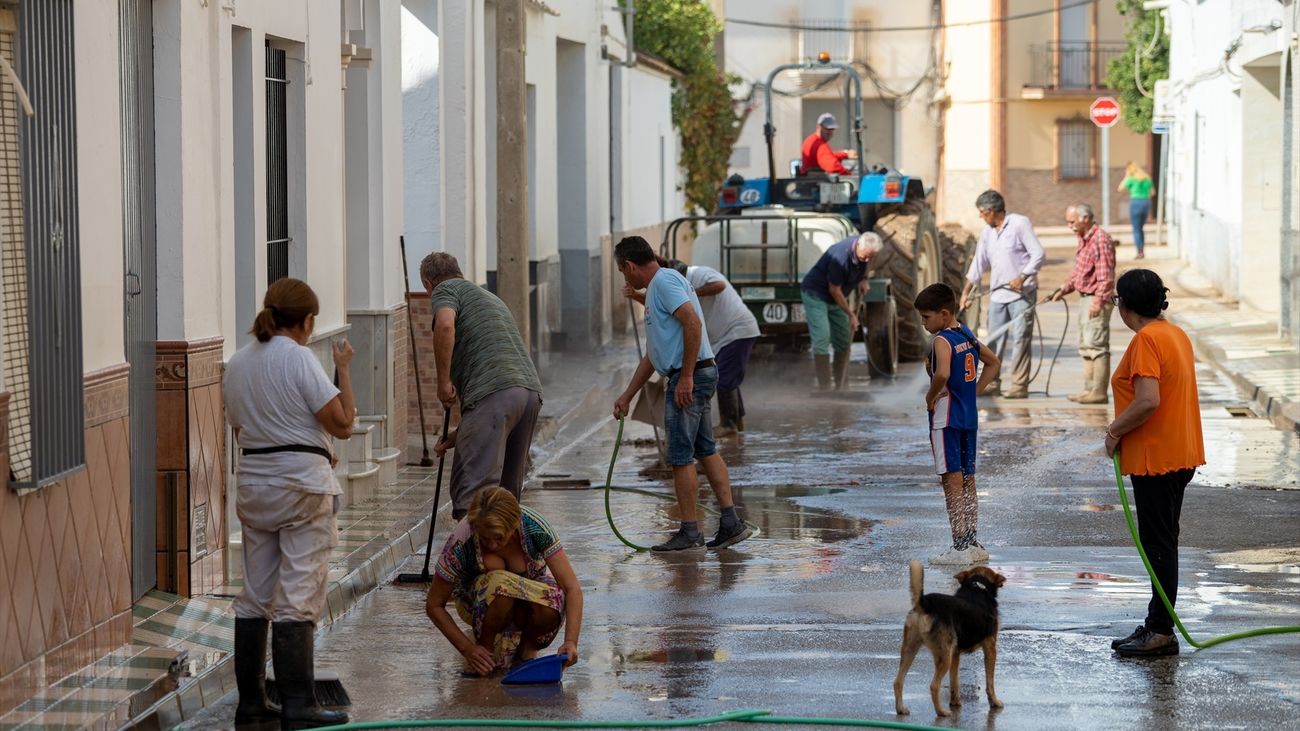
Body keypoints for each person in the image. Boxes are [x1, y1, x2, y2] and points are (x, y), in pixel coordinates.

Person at [224, 278, 353, 729]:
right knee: (299, 592)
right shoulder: (299, 357)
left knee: (255, 594)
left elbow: (243, 430)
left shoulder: (237, 363)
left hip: (255, 485)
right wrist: (345, 371)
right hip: (301, 488)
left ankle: (252, 703)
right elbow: (341, 424)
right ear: (307, 321)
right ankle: (300, 703)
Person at [611, 236, 753, 552]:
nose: (625, 278)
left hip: (690, 375)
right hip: (696, 372)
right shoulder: (662, 286)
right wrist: (628, 395)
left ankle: (689, 532)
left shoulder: (663, 283)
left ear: (630, 266)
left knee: (679, 456)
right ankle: (731, 523)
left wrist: (686, 376)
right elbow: (653, 354)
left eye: (623, 271)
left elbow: (692, 323)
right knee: (705, 448)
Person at [1105, 269, 1205, 657]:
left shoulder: (1147, 340)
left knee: (1159, 545)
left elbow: (1148, 400)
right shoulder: (1174, 333)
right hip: (1179, 454)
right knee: (1163, 542)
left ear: (1125, 306)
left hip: (1158, 459)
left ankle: (1161, 632)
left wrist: (1114, 431)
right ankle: (1156, 623)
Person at [421, 252, 544, 519]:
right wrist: (461, 433)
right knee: (506, 498)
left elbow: (444, 325)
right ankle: (509, 559)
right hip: (528, 394)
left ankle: (475, 558)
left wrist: (443, 384)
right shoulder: (489, 297)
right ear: (459, 271)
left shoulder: (445, 290)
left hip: (496, 394)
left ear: (428, 284)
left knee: (475, 497)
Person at [425, 487, 583, 674]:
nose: (492, 545)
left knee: (554, 599)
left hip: (527, 601)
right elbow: (434, 605)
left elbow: (572, 588)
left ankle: (526, 649)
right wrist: (468, 649)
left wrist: (571, 642)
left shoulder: (535, 526)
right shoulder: (462, 537)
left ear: (515, 524)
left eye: (499, 538)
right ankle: (486, 649)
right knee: (500, 584)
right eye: (485, 539)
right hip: (480, 605)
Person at [624, 260, 761, 435]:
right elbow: (662, 306)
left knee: (726, 378)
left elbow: (719, 285)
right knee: (729, 377)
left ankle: (729, 424)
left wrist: (693, 292)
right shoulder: (676, 286)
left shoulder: (700, 274)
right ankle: (736, 421)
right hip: (721, 337)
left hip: (737, 329)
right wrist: (635, 295)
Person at [916, 283, 1000, 565]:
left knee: (950, 480)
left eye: (926, 317)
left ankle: (958, 545)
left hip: (946, 419)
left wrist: (930, 398)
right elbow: (993, 362)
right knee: (968, 479)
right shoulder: (966, 333)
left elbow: (941, 374)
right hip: (968, 417)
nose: (923, 323)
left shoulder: (941, 340)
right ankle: (972, 540)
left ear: (943, 313)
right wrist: (973, 392)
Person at [960, 189, 1045, 399]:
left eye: (982, 212)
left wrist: (1022, 276)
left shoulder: (1019, 224)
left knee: (1020, 339)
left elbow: (1038, 254)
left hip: (1021, 295)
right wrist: (965, 293)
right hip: (998, 296)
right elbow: (977, 265)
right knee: (992, 341)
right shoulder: (987, 233)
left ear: (991, 210)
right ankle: (991, 383)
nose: (980, 216)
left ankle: (1018, 385)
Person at [1045, 203, 1116, 404]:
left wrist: (1099, 302)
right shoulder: (1084, 239)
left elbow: (1106, 275)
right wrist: (1063, 289)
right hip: (1085, 297)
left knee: (1097, 346)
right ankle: (1088, 390)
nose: (1070, 226)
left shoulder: (1100, 239)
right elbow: (1079, 272)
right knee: (1086, 346)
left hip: (1096, 298)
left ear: (1085, 218)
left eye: (1072, 221)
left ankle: (1099, 392)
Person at [800, 232, 883, 390]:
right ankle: (825, 388)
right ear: (858, 245)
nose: (867, 260)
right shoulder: (840, 257)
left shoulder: (865, 252)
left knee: (843, 339)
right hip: (816, 294)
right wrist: (852, 315)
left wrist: (864, 279)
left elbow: (868, 263)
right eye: (865, 256)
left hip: (836, 298)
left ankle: (841, 385)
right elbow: (835, 290)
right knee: (823, 337)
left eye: (870, 257)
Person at [1118, 162, 1153, 259]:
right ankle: (1142, 250)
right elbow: (1152, 192)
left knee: (1136, 229)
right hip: (1146, 203)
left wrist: (1126, 176)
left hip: (1136, 203)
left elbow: (1120, 188)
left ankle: (1139, 252)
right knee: (1141, 228)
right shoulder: (1147, 178)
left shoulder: (1131, 179)